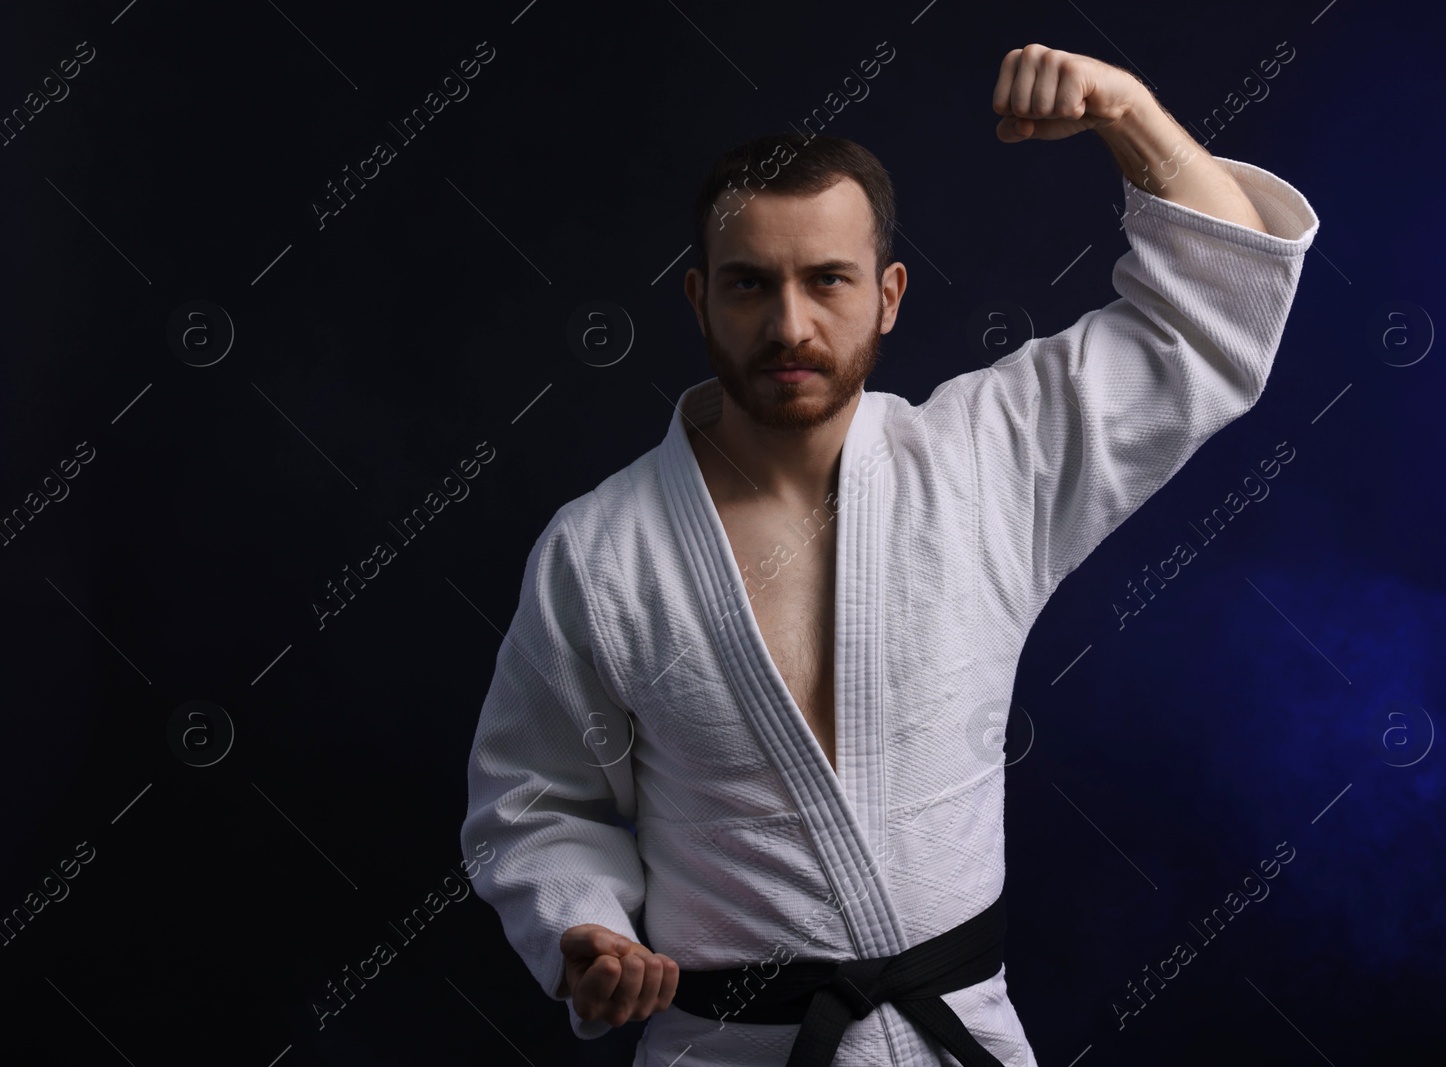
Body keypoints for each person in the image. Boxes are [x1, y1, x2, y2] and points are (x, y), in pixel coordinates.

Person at [459, 43, 1318, 1066]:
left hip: (958, 1039)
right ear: (698, 302)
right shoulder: (600, 553)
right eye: (749, 285)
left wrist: (1127, 111)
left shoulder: (983, 465)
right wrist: (582, 926)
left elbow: (1217, 313)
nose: (789, 324)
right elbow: (535, 799)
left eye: (828, 279)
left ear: (890, 293)